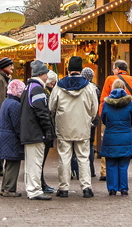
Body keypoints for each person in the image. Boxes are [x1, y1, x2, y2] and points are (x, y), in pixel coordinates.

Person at [48, 56, 98, 198]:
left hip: (64, 126)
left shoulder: (59, 86)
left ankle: (63, 188)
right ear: (81, 70)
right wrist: (88, 119)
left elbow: (51, 107)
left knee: (64, 157)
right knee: (83, 157)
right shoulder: (89, 87)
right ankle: (86, 187)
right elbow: (94, 109)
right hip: (82, 126)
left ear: (68, 69)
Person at [98, 60, 132, 183]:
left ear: (117, 69)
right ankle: (122, 174)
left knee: (108, 144)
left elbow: (103, 99)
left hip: (110, 118)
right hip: (126, 118)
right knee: (125, 145)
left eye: (113, 68)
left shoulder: (110, 79)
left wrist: (102, 115)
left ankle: (105, 171)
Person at [18, 60, 54, 200]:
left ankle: (31, 188)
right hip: (35, 133)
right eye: (45, 73)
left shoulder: (28, 87)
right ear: (41, 74)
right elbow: (42, 112)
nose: (47, 76)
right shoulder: (37, 89)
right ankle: (35, 191)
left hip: (28, 132)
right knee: (35, 163)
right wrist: (48, 129)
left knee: (30, 163)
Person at [100, 79, 132, 196]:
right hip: (126, 136)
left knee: (111, 164)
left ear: (112, 88)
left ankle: (112, 188)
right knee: (123, 165)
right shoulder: (129, 103)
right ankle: (124, 188)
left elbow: (103, 119)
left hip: (110, 137)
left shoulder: (106, 103)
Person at [0, 79, 26, 197]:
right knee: (13, 164)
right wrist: (23, 137)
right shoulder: (15, 105)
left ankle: (5, 188)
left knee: (8, 164)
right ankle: (9, 189)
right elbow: (17, 125)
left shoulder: (6, 101)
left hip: (4, 136)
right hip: (12, 139)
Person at [77, 66, 99, 179]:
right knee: (90, 144)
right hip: (92, 120)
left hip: (81, 118)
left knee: (79, 144)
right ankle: (91, 170)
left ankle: (78, 170)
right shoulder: (95, 88)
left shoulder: (80, 87)